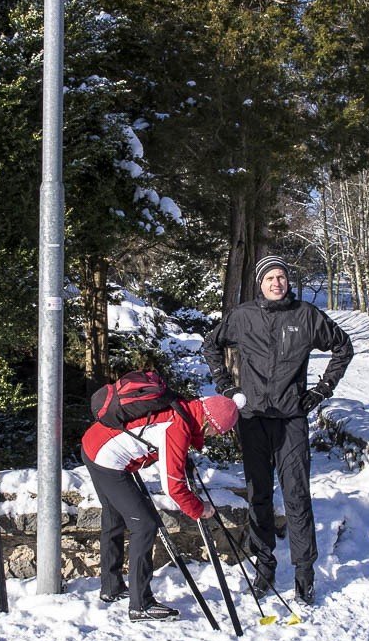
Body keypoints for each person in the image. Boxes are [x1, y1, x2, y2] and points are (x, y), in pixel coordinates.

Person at [201, 255, 354, 605]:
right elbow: (211, 345)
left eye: (281, 276)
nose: (276, 283)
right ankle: (264, 567)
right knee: (259, 495)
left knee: (297, 496)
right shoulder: (243, 317)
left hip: (291, 420)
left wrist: (321, 390)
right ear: (260, 283)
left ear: (288, 281)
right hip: (252, 418)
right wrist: (226, 388)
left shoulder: (306, 316)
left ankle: (304, 575)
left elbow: (343, 348)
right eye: (270, 277)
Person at [81, 394, 240, 622]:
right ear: (209, 422)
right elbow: (173, 487)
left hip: (95, 444)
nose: (214, 437)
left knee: (114, 518)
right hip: (106, 458)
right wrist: (198, 509)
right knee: (144, 526)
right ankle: (141, 604)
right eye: (217, 432)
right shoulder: (178, 426)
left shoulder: (184, 408)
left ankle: (111, 587)